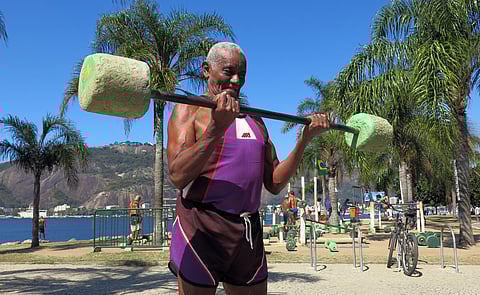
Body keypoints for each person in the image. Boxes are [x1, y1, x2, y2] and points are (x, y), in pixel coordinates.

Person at [167, 42, 329, 295]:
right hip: (200, 227)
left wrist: (304, 140)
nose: (235, 81)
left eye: (241, 75)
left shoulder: (255, 120)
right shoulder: (189, 109)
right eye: (228, 72)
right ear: (206, 70)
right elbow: (177, 176)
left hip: (246, 233)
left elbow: (274, 183)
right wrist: (216, 129)